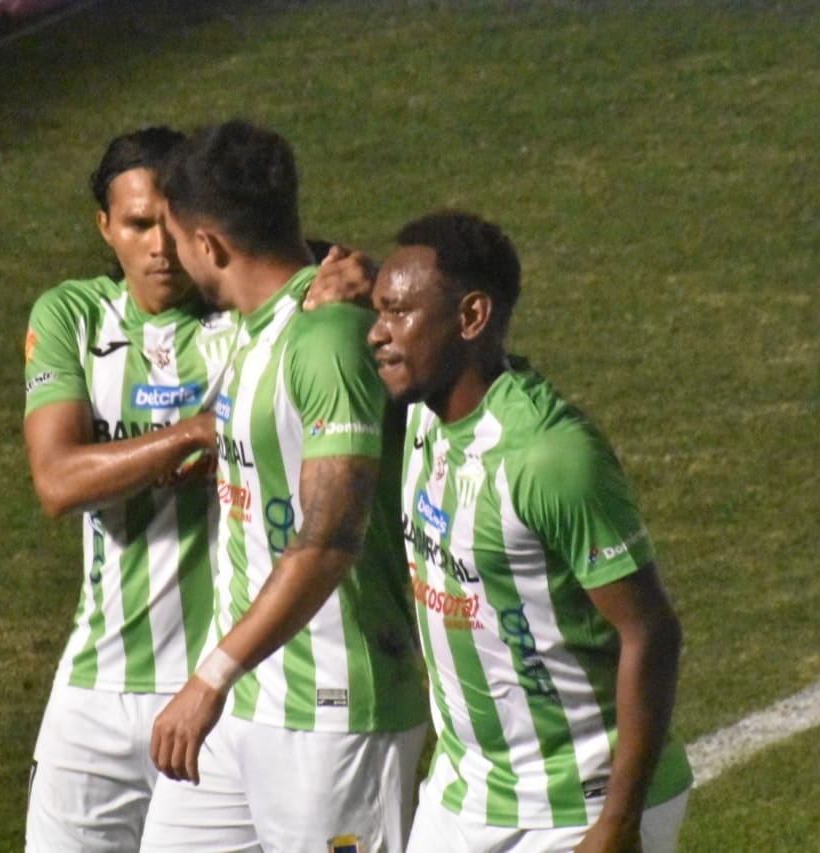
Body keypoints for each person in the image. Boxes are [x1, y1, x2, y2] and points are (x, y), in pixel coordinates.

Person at [363, 210, 693, 852]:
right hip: (465, 793)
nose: (376, 333)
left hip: (578, 807)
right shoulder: (426, 415)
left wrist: (618, 823)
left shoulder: (548, 457)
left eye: (397, 313)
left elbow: (651, 632)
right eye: (377, 310)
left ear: (472, 317)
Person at [143, 119, 428, 852]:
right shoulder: (265, 321)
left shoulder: (326, 340)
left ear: (208, 244)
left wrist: (210, 675)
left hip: (330, 714)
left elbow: (331, 538)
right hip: (249, 698)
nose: (168, 256)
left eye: (174, 237)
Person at [22, 126, 239, 850]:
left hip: (218, 688)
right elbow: (57, 480)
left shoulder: (244, 320)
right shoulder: (72, 317)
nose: (158, 244)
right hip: (94, 689)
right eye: (137, 224)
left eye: (170, 222)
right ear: (105, 229)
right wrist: (187, 434)